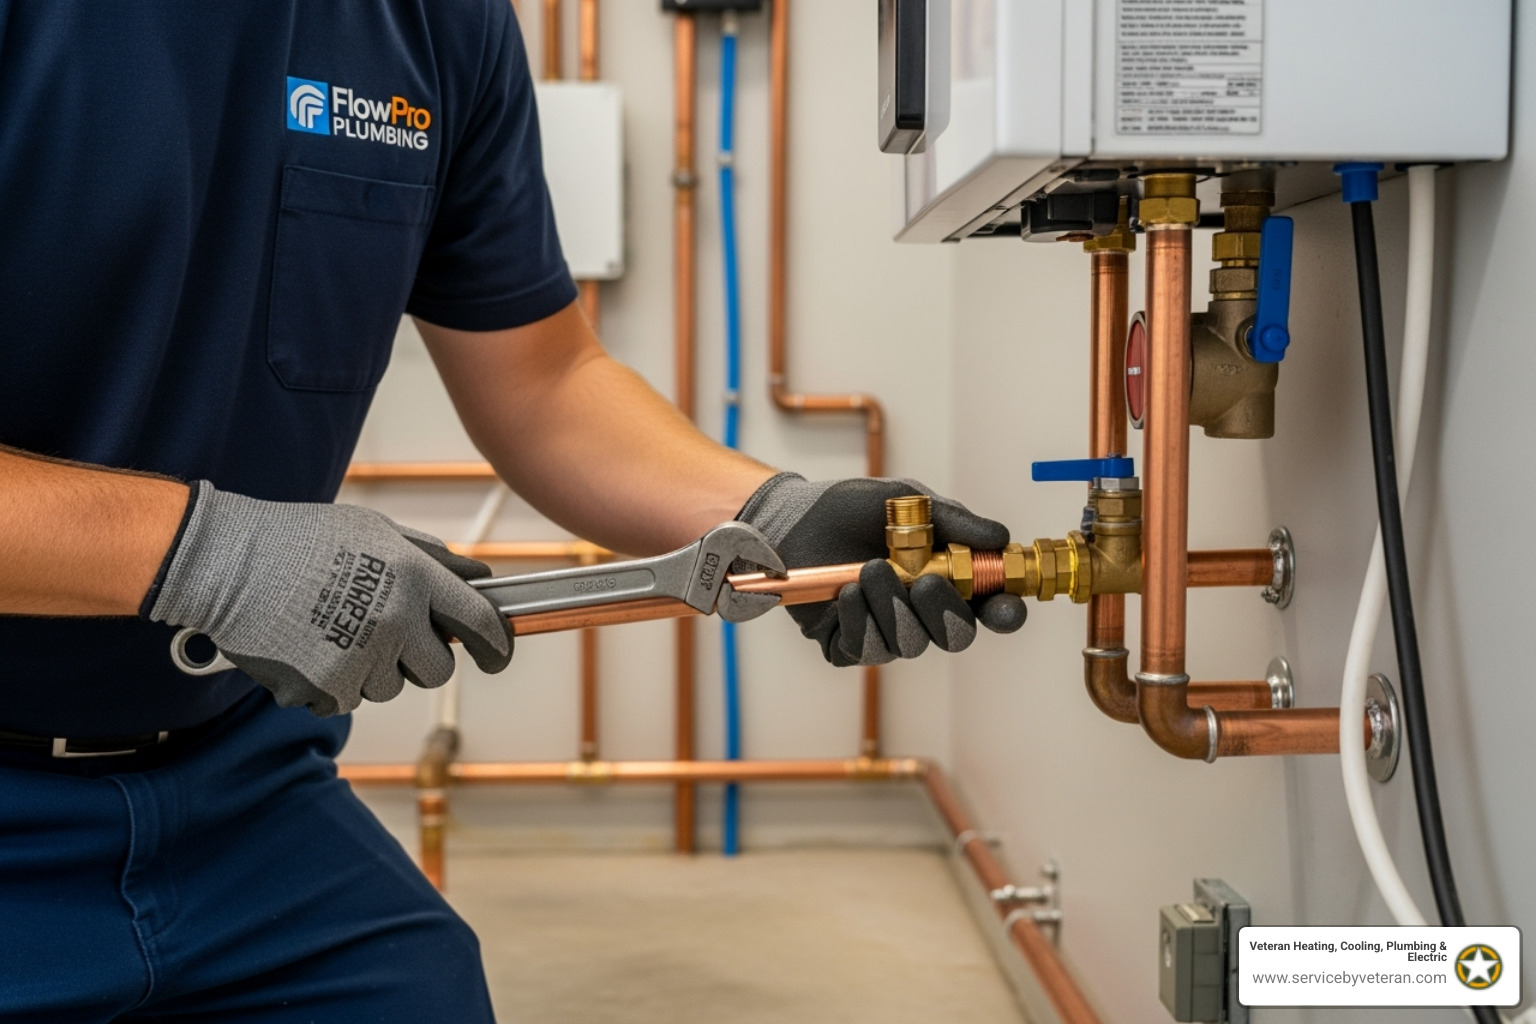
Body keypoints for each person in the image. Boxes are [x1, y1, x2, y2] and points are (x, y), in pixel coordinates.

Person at [0, 2, 1025, 1019]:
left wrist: (774, 510)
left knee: (420, 992)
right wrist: (213, 556)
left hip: (234, 781)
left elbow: (543, 381)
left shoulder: (439, 26)